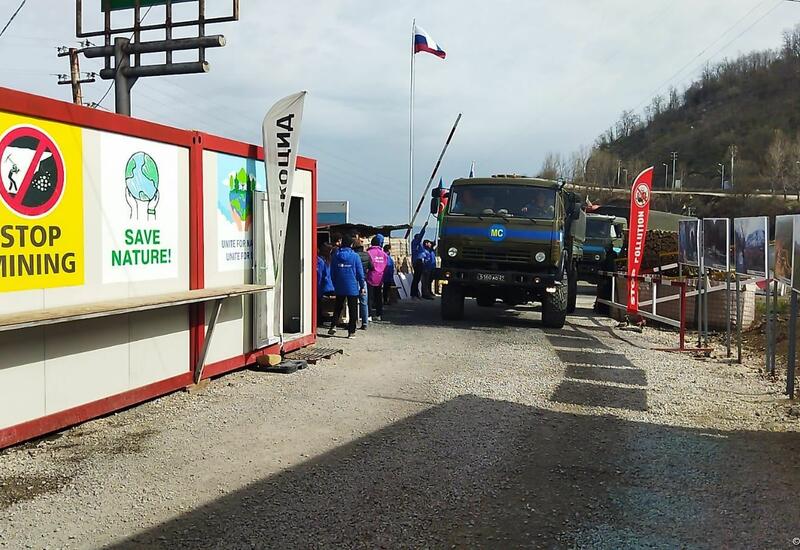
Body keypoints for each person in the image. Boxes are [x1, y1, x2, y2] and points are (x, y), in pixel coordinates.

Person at [328, 236, 365, 338]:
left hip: (339, 285)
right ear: (351, 245)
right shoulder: (355, 256)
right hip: (352, 287)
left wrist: (335, 283)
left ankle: (333, 326)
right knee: (353, 309)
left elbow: (332, 272)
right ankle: (351, 332)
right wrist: (362, 285)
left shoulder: (335, 255)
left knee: (338, 307)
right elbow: (360, 273)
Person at [366, 236, 389, 321]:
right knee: (379, 297)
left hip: (370, 276)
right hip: (380, 277)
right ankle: (379, 314)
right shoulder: (384, 254)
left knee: (369, 297)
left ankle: (369, 315)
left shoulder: (368, 253)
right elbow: (387, 265)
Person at [353, 235, 373, 330]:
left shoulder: (353, 256)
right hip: (363, 280)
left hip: (353, 280)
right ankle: (365, 323)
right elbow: (372, 267)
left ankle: (353, 322)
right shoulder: (367, 255)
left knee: (352, 303)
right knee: (364, 302)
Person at [316, 243, 335, 326]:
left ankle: (319, 319)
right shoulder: (331, 261)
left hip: (325, 287)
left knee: (317, 300)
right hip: (333, 287)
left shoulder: (320, 261)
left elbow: (320, 277)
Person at [410, 222, 428, 298]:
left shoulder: (418, 244)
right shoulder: (416, 242)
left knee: (417, 279)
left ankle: (416, 293)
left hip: (419, 262)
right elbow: (421, 235)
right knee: (416, 278)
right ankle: (413, 294)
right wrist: (424, 226)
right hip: (418, 262)